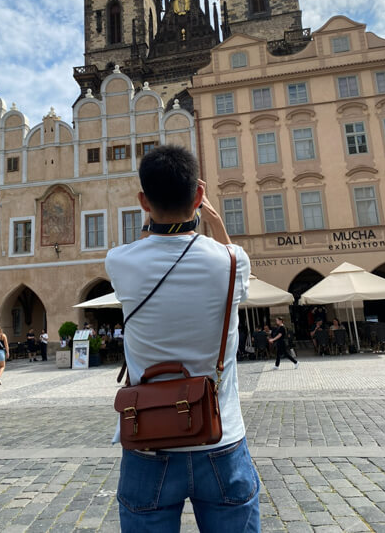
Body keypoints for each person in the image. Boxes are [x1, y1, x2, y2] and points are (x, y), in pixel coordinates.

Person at [105, 145, 260, 532]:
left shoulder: (118, 262)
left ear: (143, 202)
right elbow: (229, 251)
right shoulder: (232, 262)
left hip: (149, 443)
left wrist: (159, 218)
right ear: (198, 195)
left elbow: (145, 242)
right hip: (221, 440)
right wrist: (211, 216)